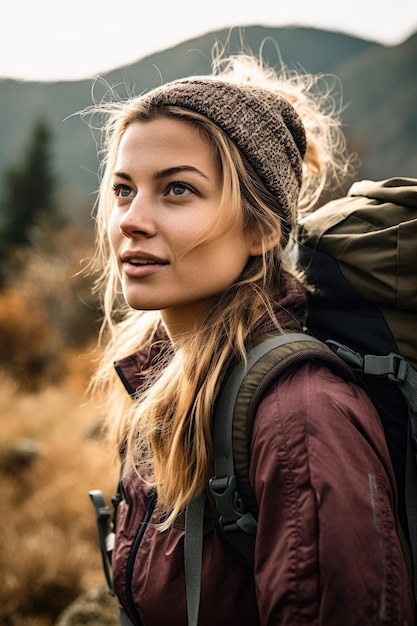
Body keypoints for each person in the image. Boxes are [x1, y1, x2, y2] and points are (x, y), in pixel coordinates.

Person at [85, 51, 414, 625]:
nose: (131, 220)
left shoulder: (299, 416)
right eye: (122, 189)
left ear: (261, 229)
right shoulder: (164, 378)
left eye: (177, 190)